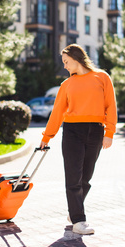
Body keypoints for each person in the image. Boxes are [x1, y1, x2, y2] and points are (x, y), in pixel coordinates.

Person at [40, 44, 117, 235]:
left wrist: (109, 133)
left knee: (86, 178)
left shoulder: (102, 77)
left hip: (95, 131)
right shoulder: (66, 85)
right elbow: (57, 112)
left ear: (77, 59)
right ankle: (79, 221)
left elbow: (111, 105)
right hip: (72, 132)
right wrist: (47, 136)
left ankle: (74, 211)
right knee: (73, 177)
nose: (65, 66)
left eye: (66, 62)